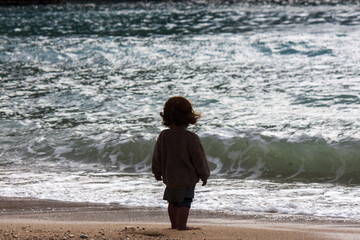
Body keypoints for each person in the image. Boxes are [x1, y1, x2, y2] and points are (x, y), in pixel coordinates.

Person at [152, 96, 210, 231]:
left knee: (172, 202)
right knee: (185, 202)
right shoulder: (191, 138)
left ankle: (174, 224)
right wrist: (204, 174)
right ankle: (182, 225)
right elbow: (198, 159)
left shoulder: (164, 136)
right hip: (187, 178)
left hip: (170, 177)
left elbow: (157, 155)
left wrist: (157, 171)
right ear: (189, 116)